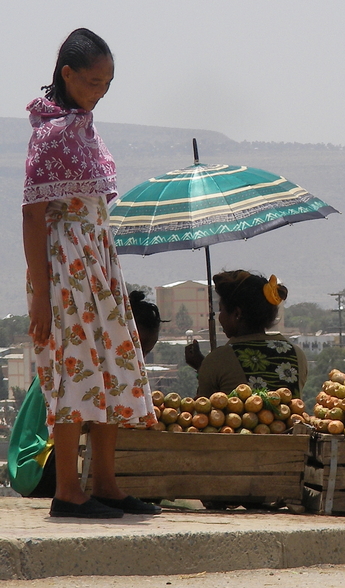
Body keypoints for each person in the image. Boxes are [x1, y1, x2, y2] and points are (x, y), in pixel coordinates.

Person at [22, 29, 158, 518]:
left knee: (110, 365)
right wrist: (39, 293)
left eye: (108, 83)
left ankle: (104, 482)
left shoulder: (83, 127)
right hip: (65, 265)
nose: (100, 90)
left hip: (97, 259)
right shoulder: (52, 133)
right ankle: (66, 490)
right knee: (73, 369)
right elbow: (33, 214)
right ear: (68, 75)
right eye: (93, 81)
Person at [7, 291, 164, 499]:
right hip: (38, 466)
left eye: (146, 352)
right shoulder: (85, 369)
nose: (140, 358)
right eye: (136, 348)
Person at [185, 270, 308, 398]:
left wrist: (202, 367)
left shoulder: (217, 360)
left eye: (221, 310)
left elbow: (203, 410)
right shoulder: (296, 354)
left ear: (237, 314)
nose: (220, 317)